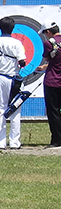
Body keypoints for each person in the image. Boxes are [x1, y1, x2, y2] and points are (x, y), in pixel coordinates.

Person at [0, 17, 26, 149]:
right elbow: (22, 62)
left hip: (0, 77)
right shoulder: (17, 43)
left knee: (0, 108)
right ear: (12, 28)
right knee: (15, 109)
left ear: (0, 28)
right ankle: (15, 142)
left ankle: (0, 142)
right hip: (13, 79)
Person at [36, 20, 61, 148]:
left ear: (49, 32)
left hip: (52, 81)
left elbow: (48, 58)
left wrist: (46, 65)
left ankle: (57, 139)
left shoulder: (48, 43)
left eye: (45, 33)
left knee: (53, 111)